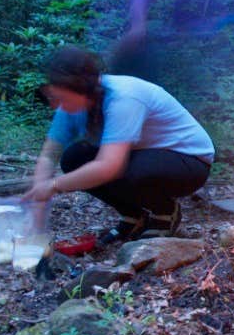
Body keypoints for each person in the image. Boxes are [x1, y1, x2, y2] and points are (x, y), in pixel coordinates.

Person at [24, 46, 215, 244]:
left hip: (189, 160)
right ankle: (133, 216)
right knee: (74, 158)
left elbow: (109, 166)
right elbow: (49, 154)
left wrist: (54, 185)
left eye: (61, 96)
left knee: (131, 170)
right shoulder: (70, 104)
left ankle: (165, 212)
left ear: (81, 88)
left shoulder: (123, 98)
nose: (57, 104)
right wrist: (38, 198)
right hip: (144, 153)